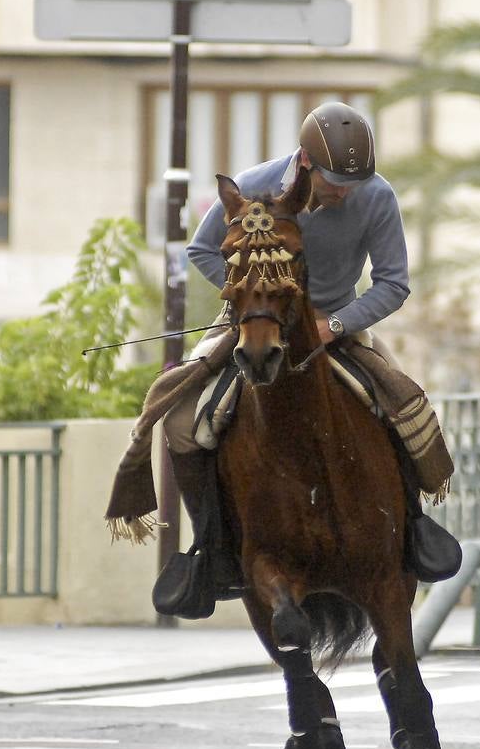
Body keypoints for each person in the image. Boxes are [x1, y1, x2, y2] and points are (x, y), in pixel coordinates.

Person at [162, 101, 411, 580]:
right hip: (257, 318)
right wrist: (250, 298)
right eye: (334, 183)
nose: (344, 194)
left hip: (339, 321)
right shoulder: (252, 186)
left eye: (353, 185)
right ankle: (212, 550)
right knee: (176, 418)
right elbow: (201, 249)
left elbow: (394, 283)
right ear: (304, 163)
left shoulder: (378, 197)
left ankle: (415, 535)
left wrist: (332, 325)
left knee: (408, 408)